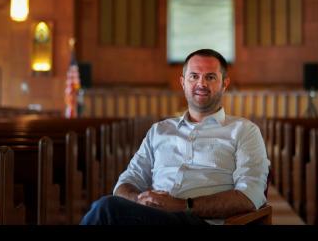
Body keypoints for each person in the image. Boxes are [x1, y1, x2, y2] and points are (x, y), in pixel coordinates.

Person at [80, 49, 269, 225]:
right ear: (183, 82)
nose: (201, 84)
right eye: (194, 76)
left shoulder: (244, 130)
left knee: (105, 209)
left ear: (224, 83)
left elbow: (250, 195)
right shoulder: (159, 131)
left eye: (210, 77)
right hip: (150, 216)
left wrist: (182, 205)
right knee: (109, 208)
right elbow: (125, 183)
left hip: (200, 221)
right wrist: (140, 200)